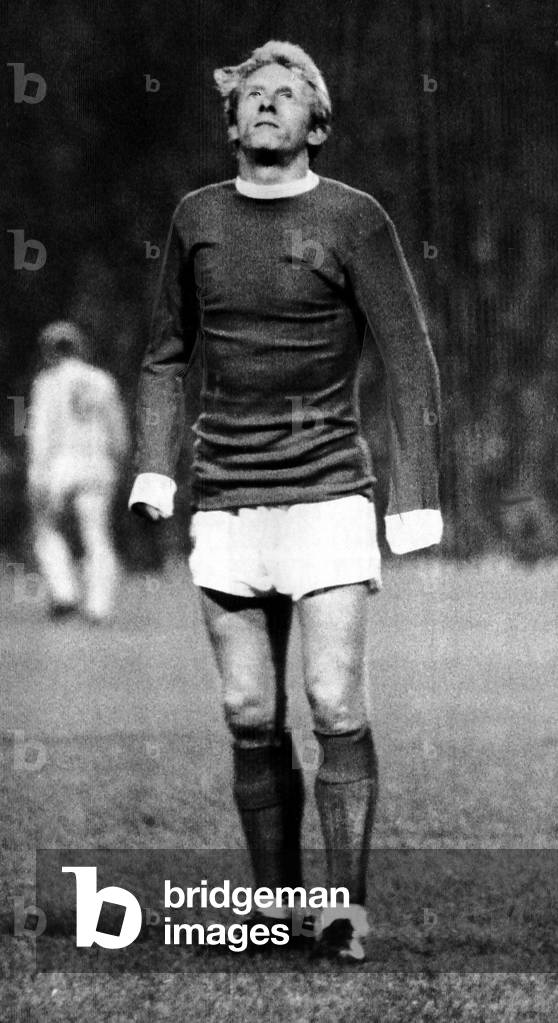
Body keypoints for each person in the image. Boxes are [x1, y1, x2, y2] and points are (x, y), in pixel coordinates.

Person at [129, 41, 442, 961]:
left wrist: (414, 494)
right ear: (232, 123)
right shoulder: (196, 218)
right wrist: (156, 462)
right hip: (227, 494)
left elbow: (410, 358)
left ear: (317, 122)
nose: (267, 106)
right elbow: (164, 352)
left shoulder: (355, 218)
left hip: (328, 489)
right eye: (252, 97)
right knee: (247, 711)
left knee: (334, 699)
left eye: (286, 96)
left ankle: (344, 912)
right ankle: (276, 909)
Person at [28, 320, 128, 622]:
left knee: (47, 530)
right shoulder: (103, 380)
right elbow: (118, 432)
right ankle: (98, 604)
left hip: (61, 464)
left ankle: (64, 592)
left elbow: (40, 433)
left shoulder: (47, 382)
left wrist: (37, 474)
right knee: (96, 534)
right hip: (98, 462)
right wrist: (119, 463)